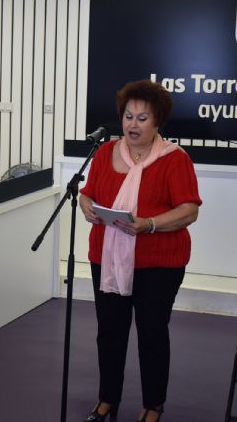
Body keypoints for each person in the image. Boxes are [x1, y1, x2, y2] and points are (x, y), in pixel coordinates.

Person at [78, 79, 202, 422]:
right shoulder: (105, 153)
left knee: (151, 333)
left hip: (158, 262)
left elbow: (189, 210)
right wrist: (85, 205)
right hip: (107, 258)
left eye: (142, 118)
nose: (133, 124)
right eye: (128, 116)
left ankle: (152, 405)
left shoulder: (175, 159)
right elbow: (87, 191)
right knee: (110, 334)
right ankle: (107, 400)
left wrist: (149, 224)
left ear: (157, 121)